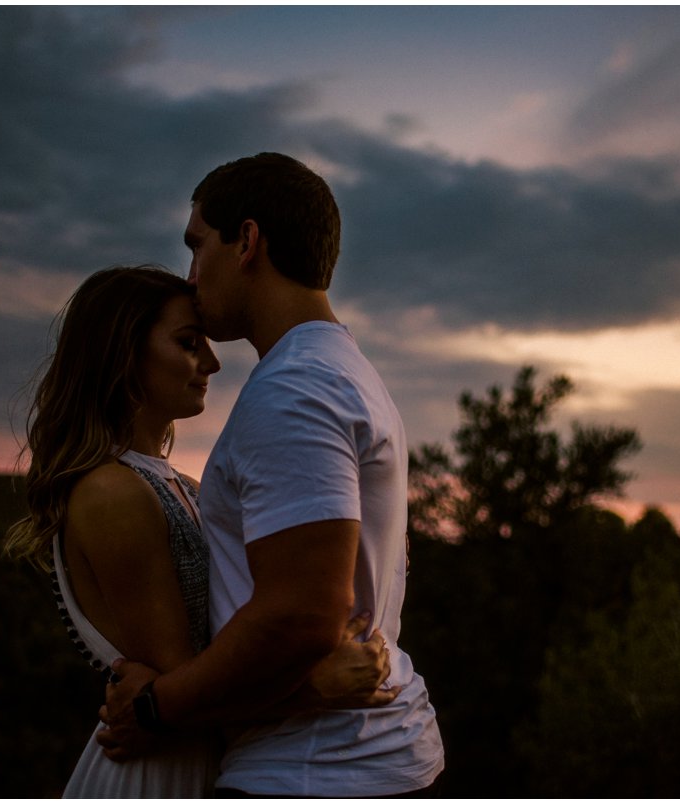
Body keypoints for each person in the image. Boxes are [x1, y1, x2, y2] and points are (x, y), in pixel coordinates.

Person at [98, 153, 445, 797]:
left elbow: (301, 616)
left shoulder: (294, 389)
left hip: (315, 771)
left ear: (248, 242)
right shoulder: (340, 371)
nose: (192, 274)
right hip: (354, 760)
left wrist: (158, 707)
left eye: (198, 247)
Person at [4, 266, 394, 797]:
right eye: (189, 344)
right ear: (122, 353)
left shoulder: (181, 483)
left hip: (205, 754)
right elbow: (180, 685)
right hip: (155, 769)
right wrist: (315, 687)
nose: (211, 362)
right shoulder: (109, 492)